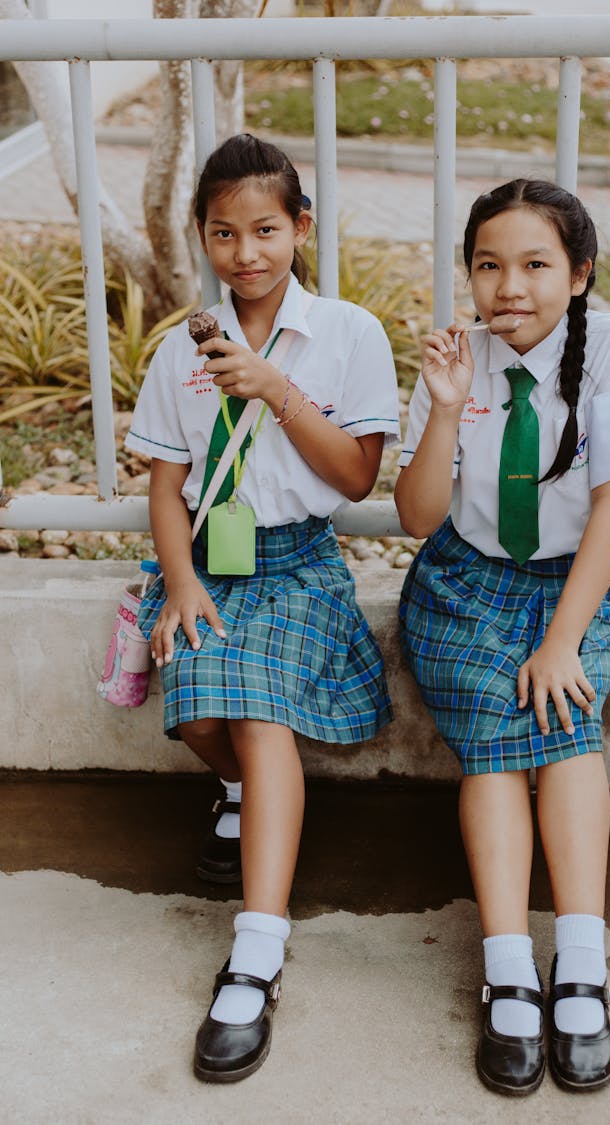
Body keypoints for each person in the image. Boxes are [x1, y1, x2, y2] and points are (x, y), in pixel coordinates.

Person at [124, 133, 400, 1083]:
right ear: (203, 237)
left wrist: (277, 390)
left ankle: (256, 951)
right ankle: (245, 791)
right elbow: (166, 485)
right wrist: (183, 582)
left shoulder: (349, 334)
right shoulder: (182, 346)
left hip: (295, 563)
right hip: (210, 562)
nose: (246, 253)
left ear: (301, 228)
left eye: (267, 230)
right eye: (224, 233)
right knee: (197, 712)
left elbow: (359, 473)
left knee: (257, 704)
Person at [395, 180, 610, 1096]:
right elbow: (415, 516)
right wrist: (444, 407)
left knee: (564, 717)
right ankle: (510, 967)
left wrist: (562, 642)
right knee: (491, 725)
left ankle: (583, 967)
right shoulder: (457, 355)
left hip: (576, 581)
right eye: (488, 265)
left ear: (579, 272)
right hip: (466, 581)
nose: (507, 286)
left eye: (534, 264)